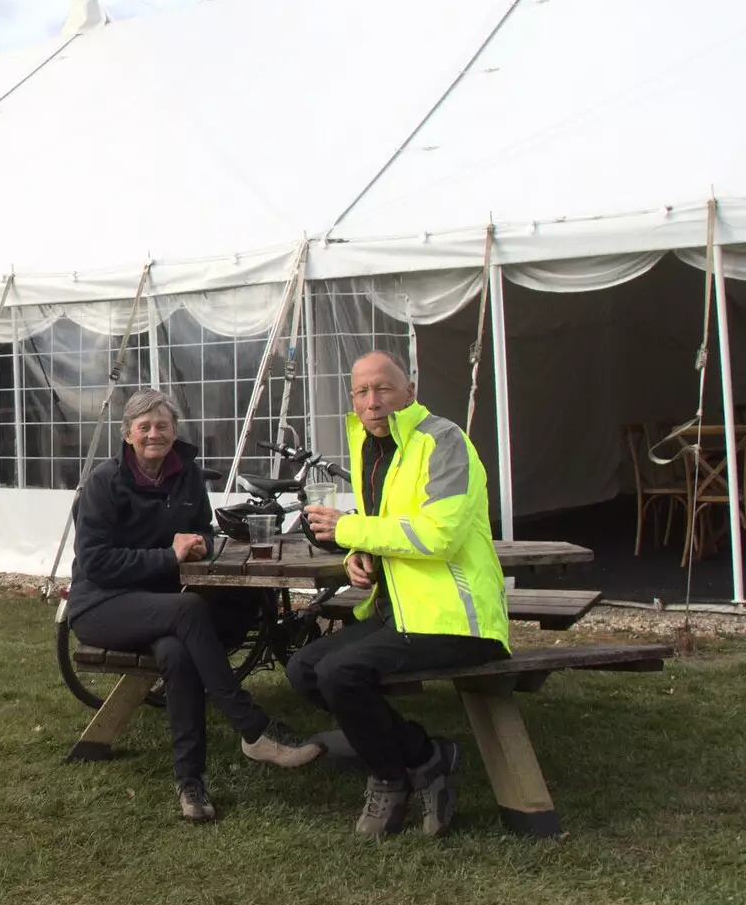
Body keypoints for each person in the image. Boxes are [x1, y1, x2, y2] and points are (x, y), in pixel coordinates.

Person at [67, 388, 323, 823]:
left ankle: (191, 783)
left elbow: (197, 528)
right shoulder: (102, 485)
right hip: (102, 606)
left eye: (162, 426)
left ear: (174, 432)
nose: (154, 434)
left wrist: (201, 542)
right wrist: (168, 556)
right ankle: (252, 727)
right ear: (127, 435)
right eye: (143, 427)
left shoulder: (186, 474)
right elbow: (96, 563)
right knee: (188, 613)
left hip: (159, 606)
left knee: (177, 652)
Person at [293, 351, 509, 839]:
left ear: (409, 391)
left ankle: (390, 778)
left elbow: (440, 536)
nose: (373, 401)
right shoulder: (371, 444)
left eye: (383, 389)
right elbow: (389, 529)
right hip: (401, 611)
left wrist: (351, 528)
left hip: (456, 618)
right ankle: (426, 757)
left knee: (341, 673)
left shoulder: (443, 440)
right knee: (303, 670)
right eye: (361, 392)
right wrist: (357, 555)